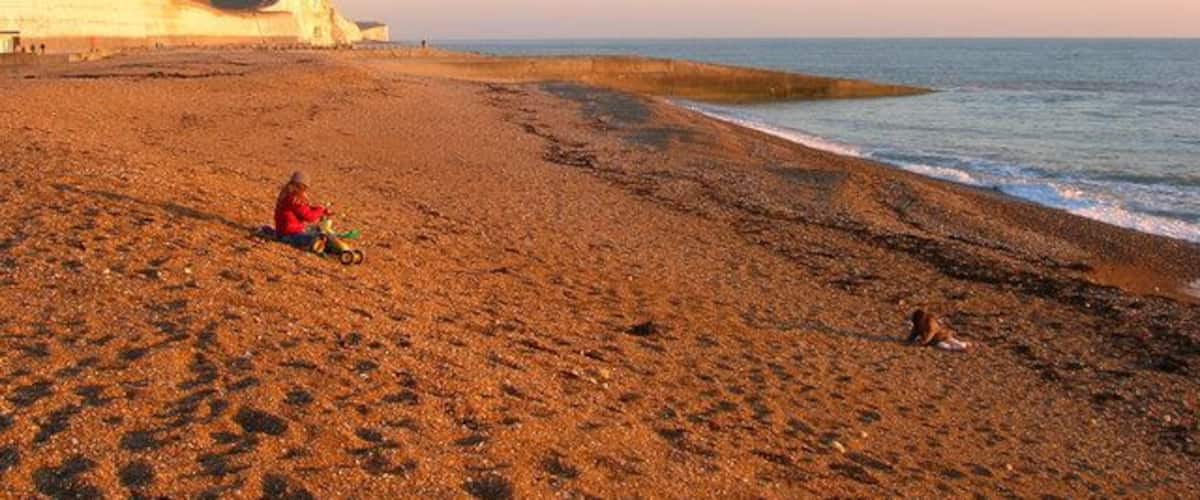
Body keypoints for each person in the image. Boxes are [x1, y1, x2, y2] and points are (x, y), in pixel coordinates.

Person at [274, 171, 329, 247]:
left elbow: (304, 209)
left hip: (285, 231)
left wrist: (319, 210)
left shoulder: (288, 195)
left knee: (315, 232)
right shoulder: (294, 199)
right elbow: (309, 216)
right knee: (314, 238)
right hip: (290, 234)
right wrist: (320, 210)